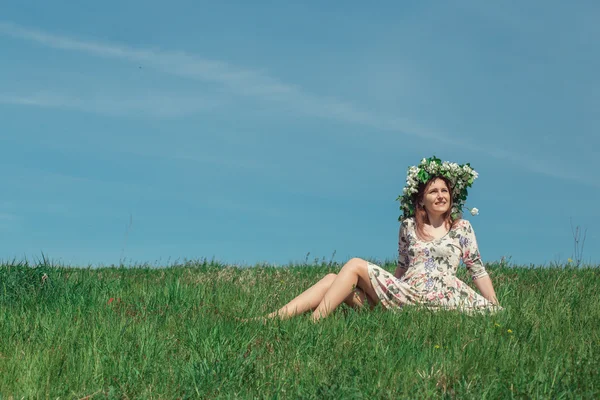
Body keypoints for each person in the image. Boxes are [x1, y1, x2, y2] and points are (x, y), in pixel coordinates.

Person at [261, 156, 502, 322]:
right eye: (433, 191)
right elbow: (402, 267)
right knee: (332, 279)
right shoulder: (409, 226)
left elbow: (477, 270)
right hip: (405, 293)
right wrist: (379, 290)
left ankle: (313, 324)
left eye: (444, 191)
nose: (441, 196)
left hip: (435, 297)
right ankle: (271, 319)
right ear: (421, 200)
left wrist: (494, 305)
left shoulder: (462, 228)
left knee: (355, 264)